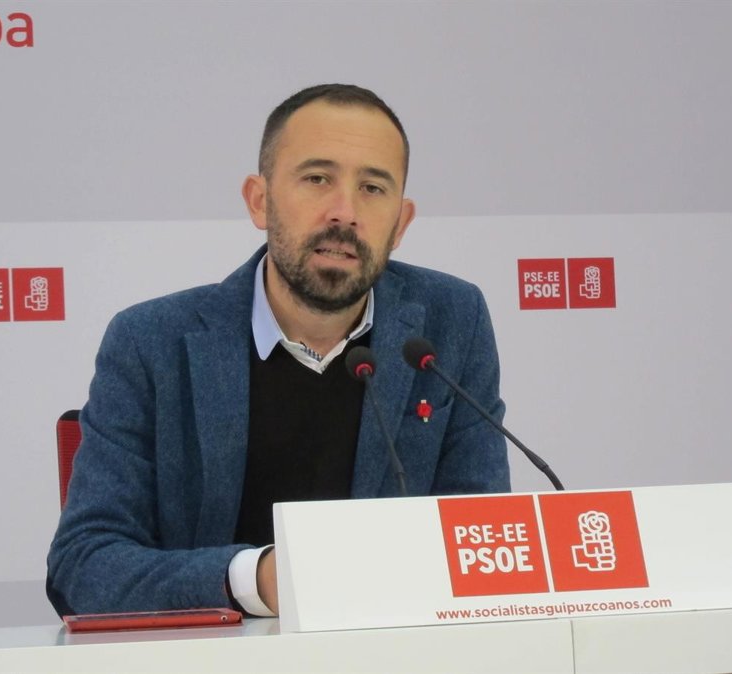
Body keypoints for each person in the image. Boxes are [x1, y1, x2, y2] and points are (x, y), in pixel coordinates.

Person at [47, 84, 509, 617]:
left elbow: (485, 540)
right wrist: (258, 579)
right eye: (317, 179)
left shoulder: (451, 321)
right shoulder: (151, 342)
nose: (344, 213)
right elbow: (83, 566)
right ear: (259, 201)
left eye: (372, 188)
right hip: (212, 653)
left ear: (401, 223)